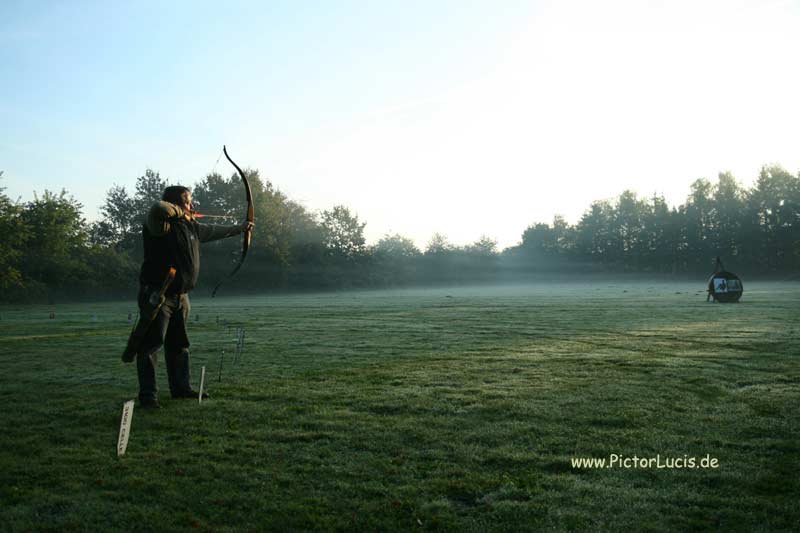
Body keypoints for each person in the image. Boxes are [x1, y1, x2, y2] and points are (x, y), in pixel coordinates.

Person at [132, 185, 254, 408]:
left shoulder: (191, 226)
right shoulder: (161, 224)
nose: (192, 206)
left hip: (181, 296)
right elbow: (159, 207)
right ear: (177, 204)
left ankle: (181, 389)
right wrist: (181, 210)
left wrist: (241, 228)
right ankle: (148, 396)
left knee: (179, 345)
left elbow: (213, 230)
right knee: (151, 345)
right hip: (158, 294)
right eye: (188, 201)